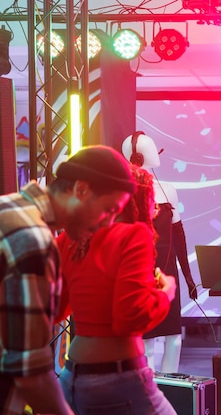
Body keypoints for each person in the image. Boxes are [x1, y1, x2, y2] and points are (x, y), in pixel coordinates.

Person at [0, 145, 136, 415]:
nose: (108, 224)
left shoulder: (8, 208)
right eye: (109, 210)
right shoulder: (34, 240)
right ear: (81, 189)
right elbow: (31, 374)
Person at [56, 164, 178, 414]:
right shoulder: (134, 235)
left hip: (72, 379)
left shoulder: (70, 238)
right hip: (118, 379)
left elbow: (57, 309)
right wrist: (164, 294)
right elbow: (129, 320)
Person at [121, 132, 198, 374]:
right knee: (148, 341)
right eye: (152, 148)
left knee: (174, 338)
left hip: (168, 271)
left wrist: (188, 278)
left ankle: (173, 391)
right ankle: (150, 392)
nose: (158, 152)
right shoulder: (124, 194)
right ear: (138, 156)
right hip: (141, 274)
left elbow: (179, 237)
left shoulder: (168, 190)